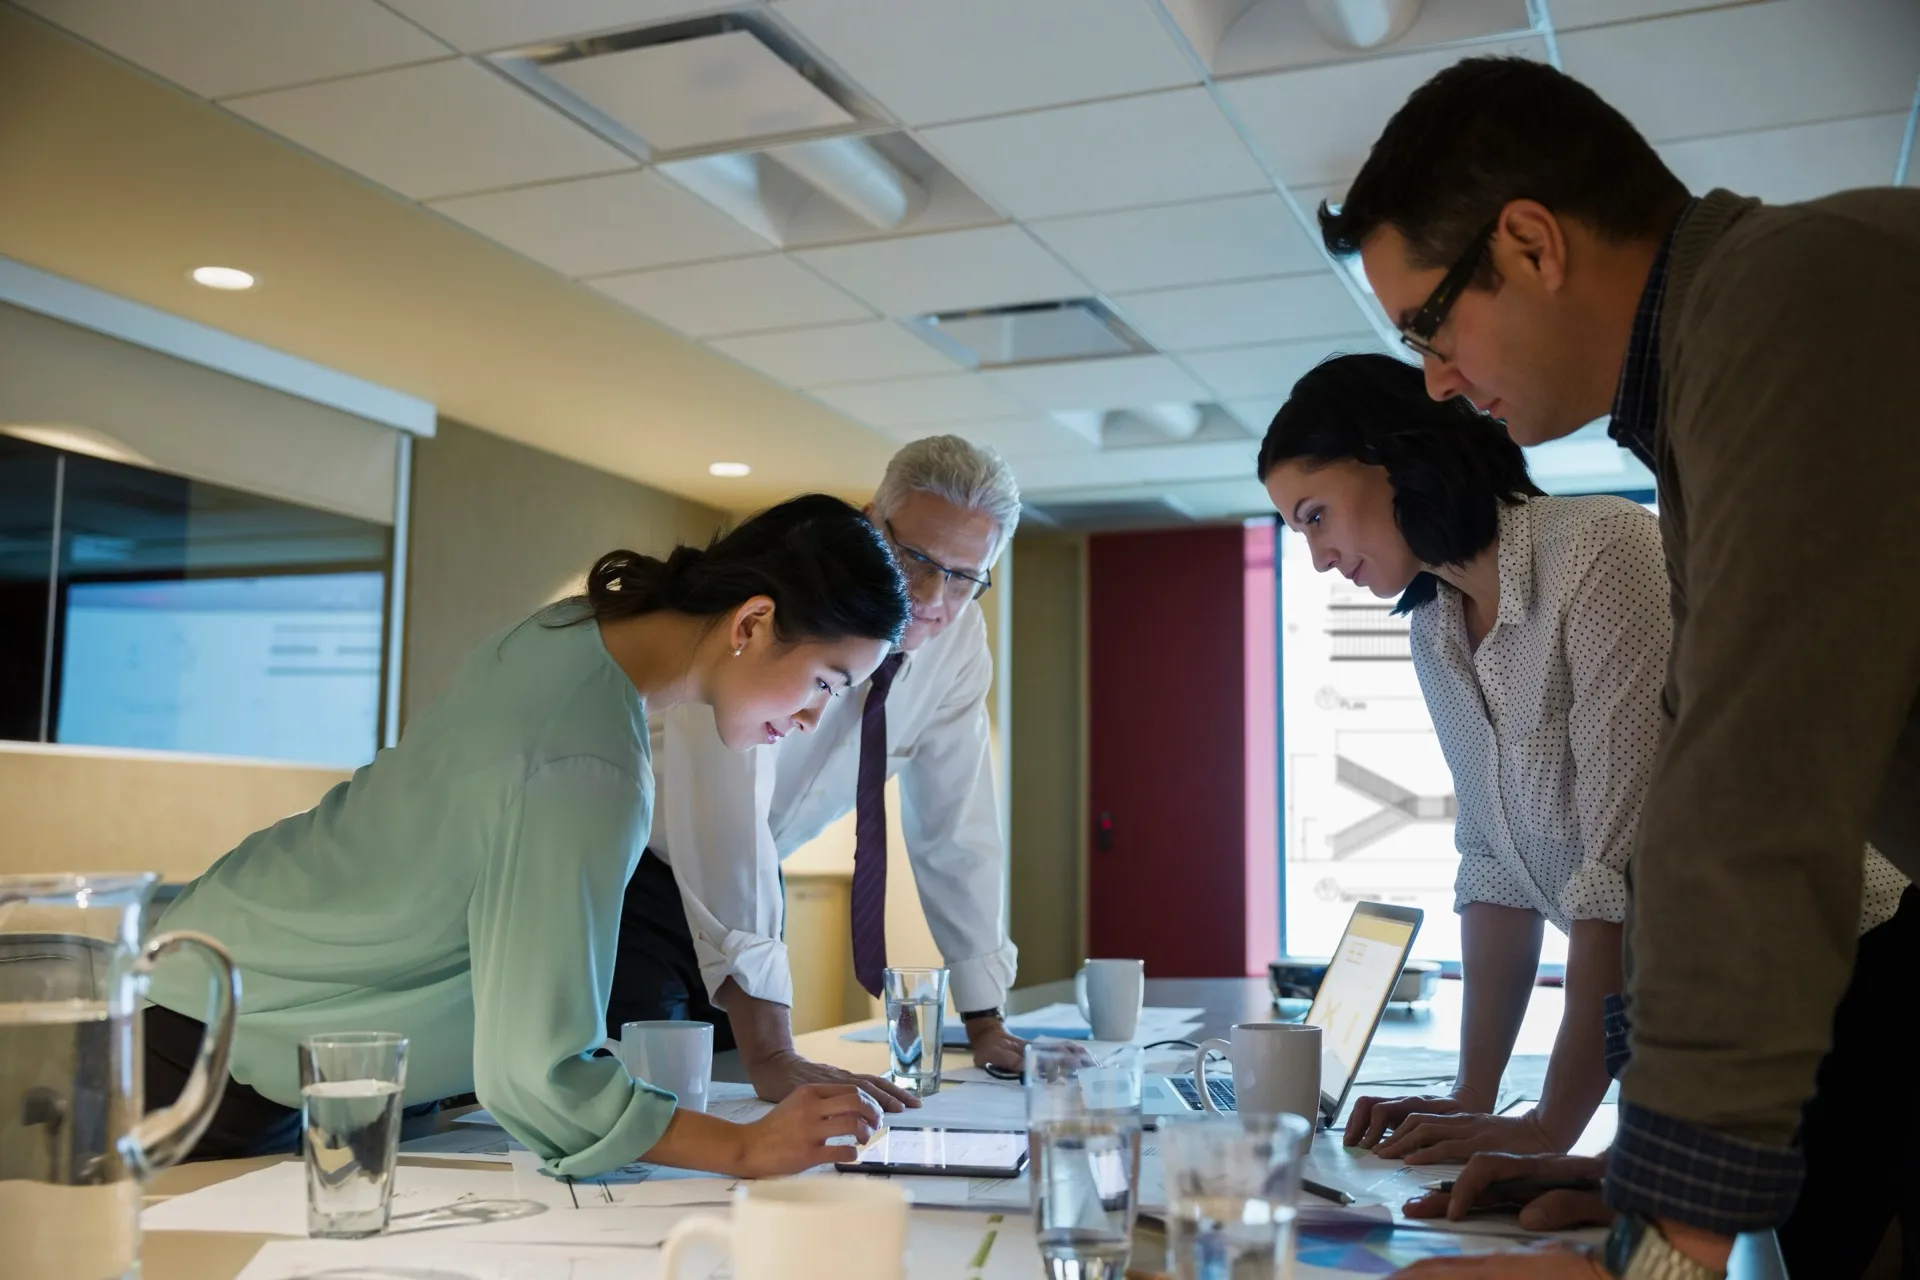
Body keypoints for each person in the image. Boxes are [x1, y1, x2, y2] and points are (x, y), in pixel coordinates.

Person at [1317, 55, 1920, 1280]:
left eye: (1431, 323)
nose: (1435, 377)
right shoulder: (1707, 378)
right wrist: (1643, 1171)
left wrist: (1650, 1254)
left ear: (1532, 243)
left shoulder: (1785, 304)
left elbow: (1748, 800)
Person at [1260, 352, 1905, 1176]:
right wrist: (1473, 1093)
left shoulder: (1598, 552)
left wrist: (1549, 1126)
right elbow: (1493, 869)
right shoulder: (1437, 627)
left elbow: (1627, 877)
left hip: (1851, 971)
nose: (1315, 557)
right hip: (1723, 1005)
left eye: (1315, 515)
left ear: (1393, 455)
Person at [142, 495, 909, 1180]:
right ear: (752, 623)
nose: (814, 719)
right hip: (228, 1037)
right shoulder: (588, 761)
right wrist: (744, 1148)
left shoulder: (569, 631)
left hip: (246, 986)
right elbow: (538, 1074)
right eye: (825, 682)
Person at [610, 436, 1026, 1112]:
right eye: (915, 559)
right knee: (643, 1109)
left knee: (737, 1103)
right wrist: (774, 1050)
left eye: (961, 577)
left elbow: (957, 827)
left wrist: (984, 1014)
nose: (930, 595)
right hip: (633, 876)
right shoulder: (783, 595)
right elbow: (725, 811)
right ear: (870, 520)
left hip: (755, 878)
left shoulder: (959, 642)